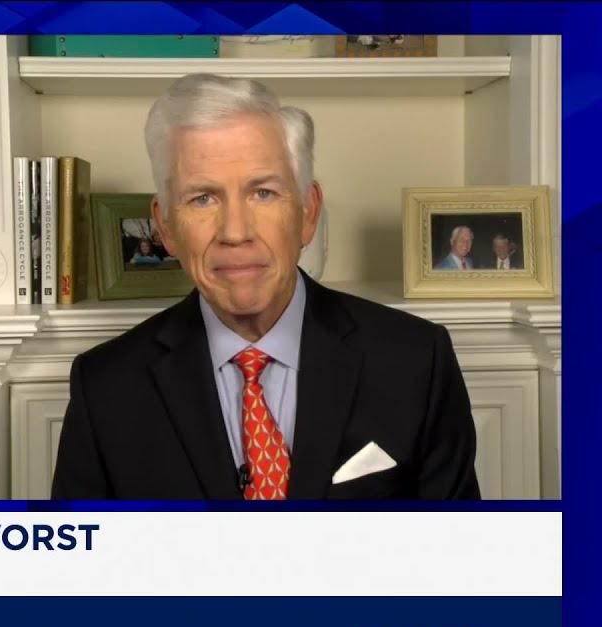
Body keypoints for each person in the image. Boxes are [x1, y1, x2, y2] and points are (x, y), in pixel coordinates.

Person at [51, 73, 479, 500]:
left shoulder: (417, 362)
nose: (235, 232)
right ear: (165, 227)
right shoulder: (105, 388)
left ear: (307, 213)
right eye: (202, 198)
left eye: (263, 193)